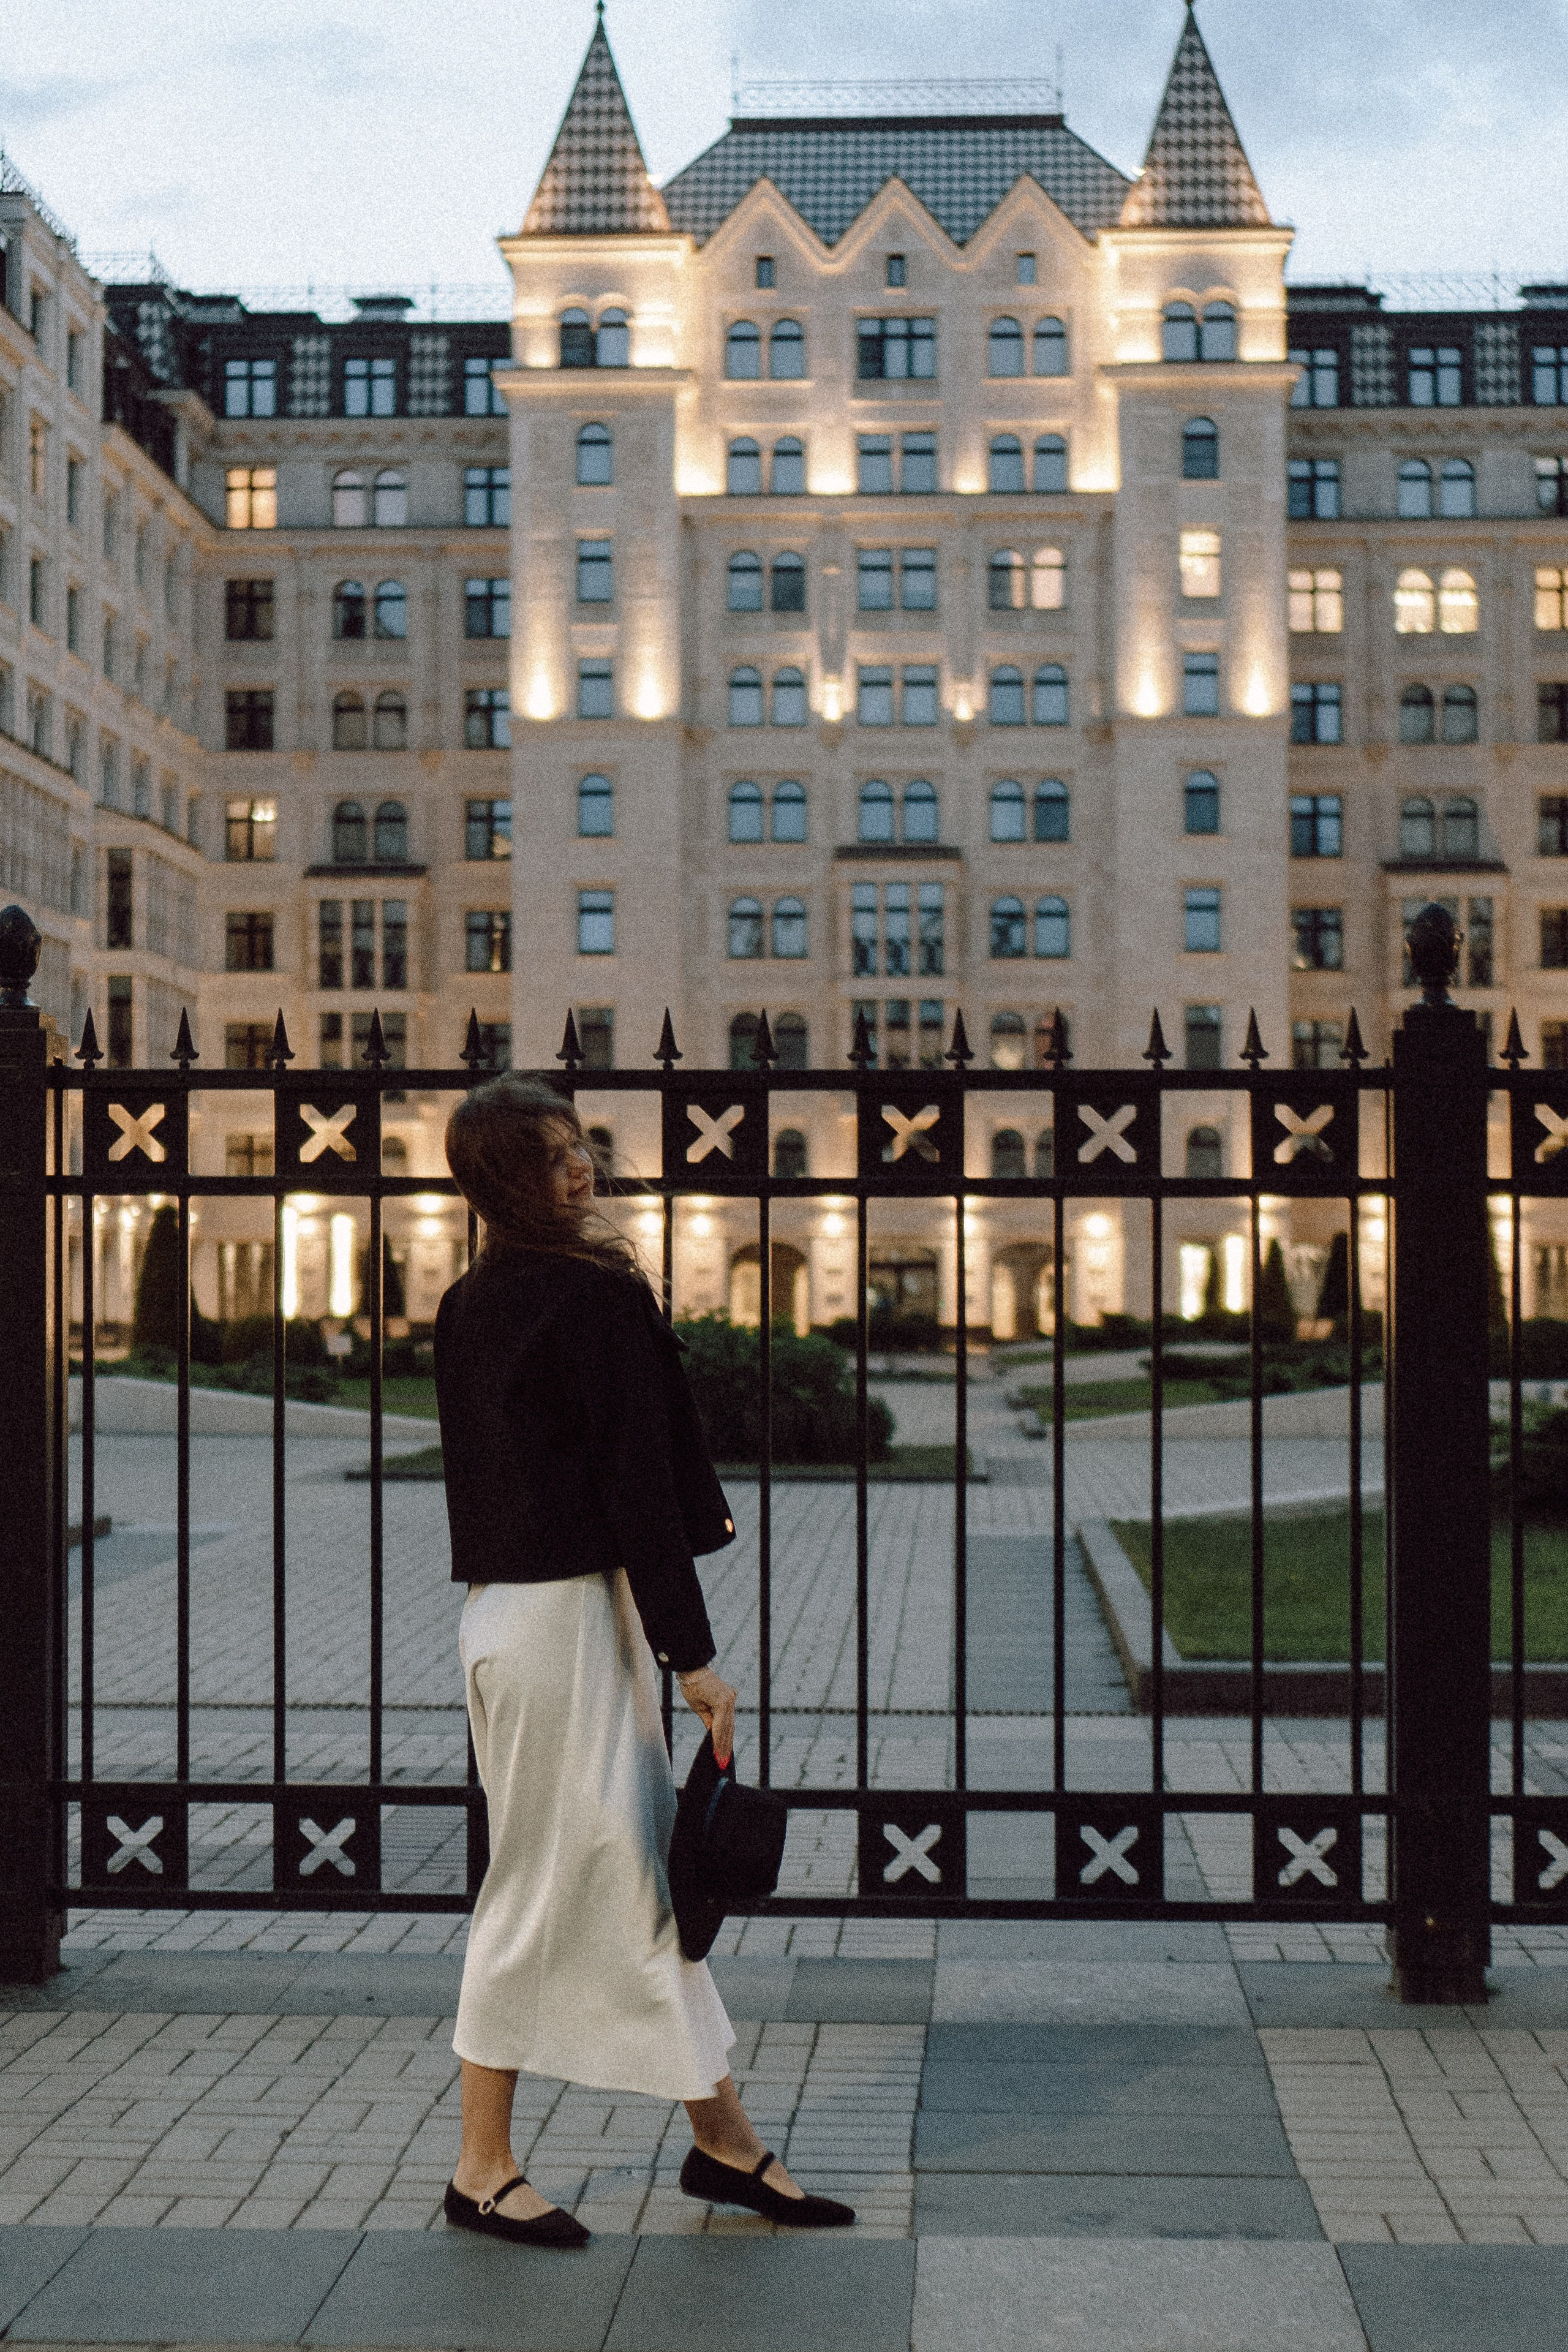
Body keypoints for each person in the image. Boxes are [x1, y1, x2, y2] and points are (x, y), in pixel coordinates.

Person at [435, 1074, 854, 2246]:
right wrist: (694, 1657)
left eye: (580, 1147)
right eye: (554, 1156)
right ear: (508, 1181)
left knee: (633, 1886)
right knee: (542, 1887)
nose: (583, 1169)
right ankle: (481, 2165)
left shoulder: (471, 1302)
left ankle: (724, 2145)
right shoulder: (591, 1300)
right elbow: (636, 1493)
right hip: (571, 1629)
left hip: (515, 1627)